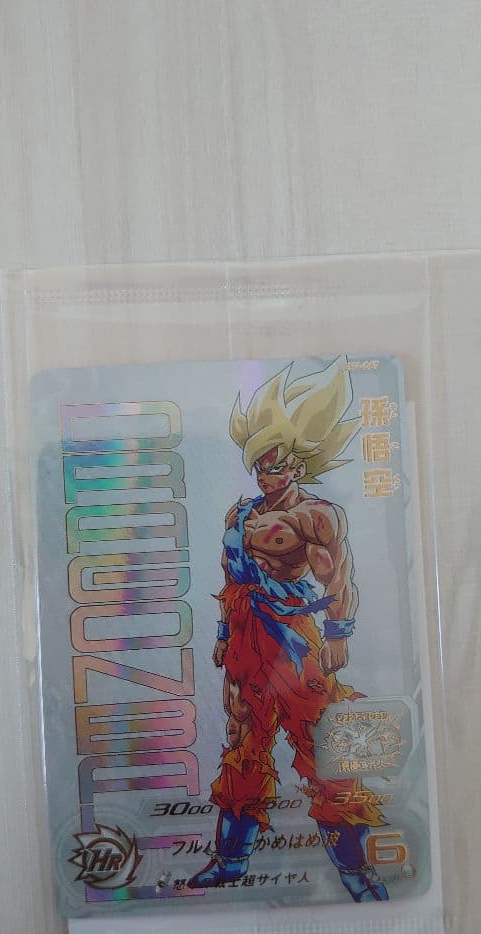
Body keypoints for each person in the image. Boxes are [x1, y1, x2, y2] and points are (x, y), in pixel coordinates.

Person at [188, 360, 388, 901]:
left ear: (296, 464)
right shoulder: (239, 515)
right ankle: (230, 862)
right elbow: (230, 579)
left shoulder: (316, 516)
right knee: (243, 744)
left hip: (295, 641)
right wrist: (224, 635)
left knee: (323, 747)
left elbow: (339, 576)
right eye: (259, 463)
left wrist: (339, 632)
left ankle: (356, 870)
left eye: (274, 463)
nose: (265, 473)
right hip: (246, 639)